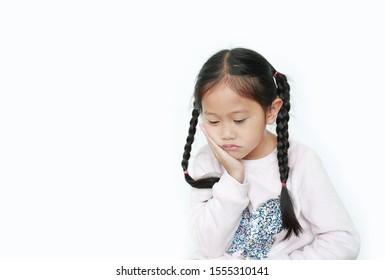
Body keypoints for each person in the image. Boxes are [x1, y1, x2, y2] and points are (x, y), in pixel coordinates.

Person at [181, 48, 360, 259]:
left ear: (271, 111)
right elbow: (210, 248)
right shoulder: (207, 159)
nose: (226, 133)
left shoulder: (301, 161)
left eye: (239, 120)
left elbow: (343, 240)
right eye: (213, 121)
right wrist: (233, 177)